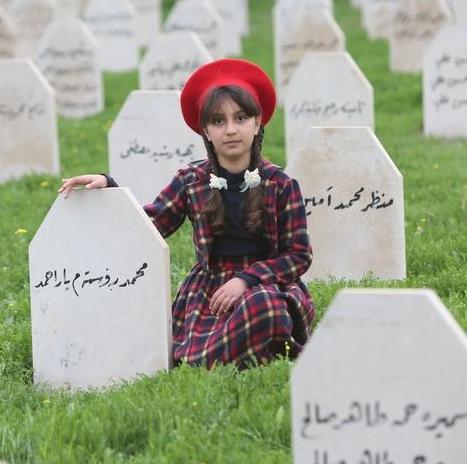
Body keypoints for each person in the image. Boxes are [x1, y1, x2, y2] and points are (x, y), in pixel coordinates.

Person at [59, 58, 315, 369]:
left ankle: (229, 350)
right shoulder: (191, 180)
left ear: (257, 122)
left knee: (267, 309)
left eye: (240, 118)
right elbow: (150, 225)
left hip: (266, 285)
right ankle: (228, 352)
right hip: (210, 289)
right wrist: (109, 187)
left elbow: (299, 255)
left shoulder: (281, 184)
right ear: (205, 130)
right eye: (218, 121)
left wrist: (246, 280)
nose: (230, 130)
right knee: (216, 334)